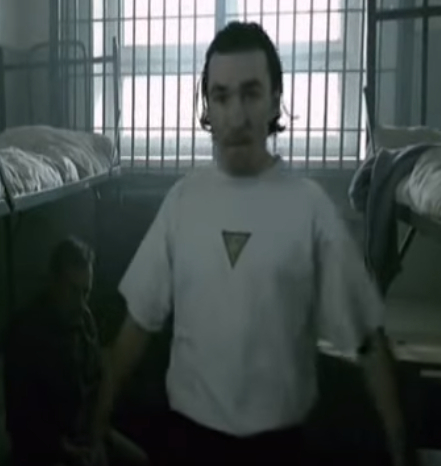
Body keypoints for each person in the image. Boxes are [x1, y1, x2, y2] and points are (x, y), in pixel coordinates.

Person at [94, 22, 417, 465]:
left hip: (279, 447)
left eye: (250, 93)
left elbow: (366, 337)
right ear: (207, 107)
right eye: (221, 96)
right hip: (188, 443)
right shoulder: (183, 202)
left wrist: (400, 445)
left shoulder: (308, 207)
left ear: (274, 101)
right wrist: (97, 419)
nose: (237, 114)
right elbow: (138, 321)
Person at [4, 237, 148, 466]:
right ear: (54, 283)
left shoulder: (84, 320)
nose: (81, 302)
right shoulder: (25, 333)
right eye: (73, 291)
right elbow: (22, 419)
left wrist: (96, 436)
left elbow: (96, 382)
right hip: (45, 449)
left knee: (140, 461)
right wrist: (67, 451)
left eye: (86, 292)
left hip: (85, 434)